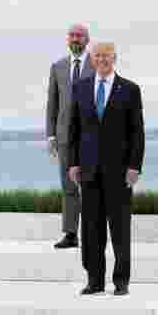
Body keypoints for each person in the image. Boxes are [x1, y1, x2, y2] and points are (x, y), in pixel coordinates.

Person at [67, 42, 145, 296]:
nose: (102, 60)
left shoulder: (130, 89)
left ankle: (121, 281)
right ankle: (94, 280)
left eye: (106, 56)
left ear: (115, 58)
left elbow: (137, 132)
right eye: (97, 56)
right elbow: (74, 129)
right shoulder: (80, 88)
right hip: (88, 170)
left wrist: (135, 166)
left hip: (120, 171)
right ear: (91, 59)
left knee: (120, 228)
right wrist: (73, 163)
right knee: (91, 229)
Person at [46, 24, 96, 249]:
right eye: (72, 35)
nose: (75, 39)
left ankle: (92, 232)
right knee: (68, 186)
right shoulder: (57, 67)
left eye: (79, 36)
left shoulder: (97, 63)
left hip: (90, 137)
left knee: (91, 186)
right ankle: (70, 233)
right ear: (68, 39)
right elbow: (52, 103)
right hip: (64, 136)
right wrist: (50, 135)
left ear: (87, 40)